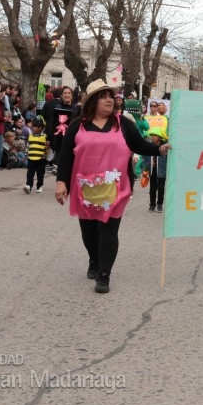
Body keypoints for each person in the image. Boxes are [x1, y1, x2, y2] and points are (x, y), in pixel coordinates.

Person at [55, 79, 169, 294]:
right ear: (92, 101)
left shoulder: (123, 123)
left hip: (116, 188)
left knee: (108, 230)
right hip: (85, 188)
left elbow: (139, 145)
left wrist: (160, 149)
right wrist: (61, 182)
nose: (110, 99)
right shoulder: (76, 126)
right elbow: (65, 157)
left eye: (111, 96)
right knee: (89, 231)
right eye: (104, 96)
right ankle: (94, 260)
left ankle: (104, 274)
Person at [142, 127, 168, 213]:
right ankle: (152, 205)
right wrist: (145, 170)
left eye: (155, 135)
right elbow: (145, 158)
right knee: (152, 189)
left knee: (161, 188)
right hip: (152, 170)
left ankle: (159, 204)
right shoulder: (149, 146)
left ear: (160, 137)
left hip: (162, 170)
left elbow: (169, 159)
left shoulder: (165, 146)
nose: (153, 137)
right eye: (152, 135)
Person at [24, 115, 48, 194]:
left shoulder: (44, 136)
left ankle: (39, 185)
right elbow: (28, 146)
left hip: (41, 158)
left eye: (34, 126)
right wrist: (25, 155)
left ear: (40, 128)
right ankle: (28, 185)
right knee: (30, 173)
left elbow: (47, 147)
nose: (32, 128)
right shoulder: (30, 136)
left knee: (40, 173)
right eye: (32, 126)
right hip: (31, 157)